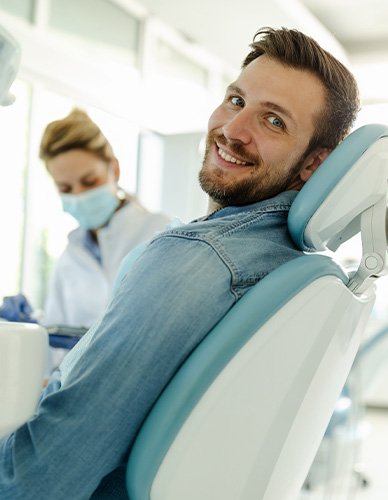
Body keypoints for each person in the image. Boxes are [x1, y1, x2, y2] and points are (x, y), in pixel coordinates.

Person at [0, 27, 360, 499]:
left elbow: (42, 474)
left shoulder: (201, 256)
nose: (233, 130)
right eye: (236, 100)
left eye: (273, 121)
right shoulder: (285, 263)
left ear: (314, 163)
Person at [0, 109, 170, 329]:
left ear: (114, 170)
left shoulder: (160, 233)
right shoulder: (71, 256)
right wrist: (30, 330)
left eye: (89, 182)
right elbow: (56, 344)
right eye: (65, 188)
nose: (79, 195)